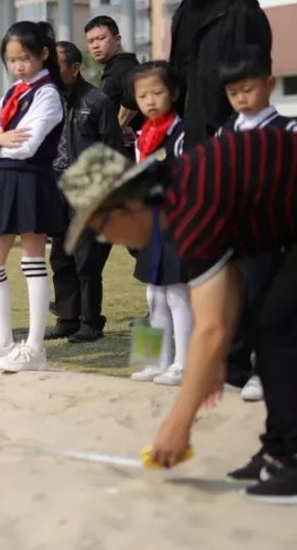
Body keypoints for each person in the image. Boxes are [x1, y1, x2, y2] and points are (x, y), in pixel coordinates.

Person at [61, 131, 297, 506]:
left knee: (279, 324)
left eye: (101, 231)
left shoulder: (191, 204)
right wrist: (214, 360)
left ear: (125, 208)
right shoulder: (180, 192)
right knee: (266, 320)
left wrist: (179, 423)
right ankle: (282, 448)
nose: (110, 240)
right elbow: (228, 279)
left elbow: (211, 328)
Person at [0, 21, 64, 372]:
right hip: (4, 179)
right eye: (12, 59)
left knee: (33, 259)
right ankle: (4, 339)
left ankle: (35, 347)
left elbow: (27, 145)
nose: (18, 65)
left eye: (25, 58)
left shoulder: (48, 94)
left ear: (43, 55)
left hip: (33, 180)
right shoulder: (11, 93)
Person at [215, 46, 297, 402]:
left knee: (264, 302)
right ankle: (232, 369)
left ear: (269, 84)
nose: (241, 99)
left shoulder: (287, 129)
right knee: (232, 302)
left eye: (247, 90)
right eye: (233, 93)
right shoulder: (226, 130)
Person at [152, 0, 272, 145]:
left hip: (231, 149)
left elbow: (253, 86)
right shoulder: (182, 14)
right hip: (191, 148)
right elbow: (179, 85)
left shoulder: (240, 10)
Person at [46, 41, 123, 344]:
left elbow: (113, 151)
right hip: (55, 189)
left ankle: (90, 323)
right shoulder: (46, 100)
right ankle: (67, 319)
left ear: (75, 68)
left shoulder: (97, 100)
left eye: (57, 66)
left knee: (86, 260)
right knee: (61, 258)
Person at [125, 62, 190, 387]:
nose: (150, 101)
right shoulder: (142, 136)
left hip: (176, 225)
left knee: (178, 295)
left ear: (173, 93)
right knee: (153, 296)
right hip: (150, 226)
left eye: (157, 93)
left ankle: (183, 363)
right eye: (142, 95)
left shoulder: (183, 134)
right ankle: (154, 361)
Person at [84, 16, 141, 156]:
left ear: (117, 40)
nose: (95, 45)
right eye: (91, 41)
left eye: (101, 38)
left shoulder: (124, 66)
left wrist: (118, 128)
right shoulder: (113, 69)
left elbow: (133, 94)